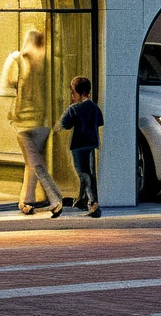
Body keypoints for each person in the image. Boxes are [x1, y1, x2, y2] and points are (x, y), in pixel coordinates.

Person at [0, 28, 63, 217]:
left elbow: (9, 81)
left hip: (25, 123)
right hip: (43, 122)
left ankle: (54, 198)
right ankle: (26, 200)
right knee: (32, 162)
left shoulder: (21, 60)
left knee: (36, 163)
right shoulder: (50, 62)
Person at [59, 75, 103, 216]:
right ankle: (82, 199)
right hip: (91, 142)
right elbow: (100, 122)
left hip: (78, 144)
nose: (72, 95)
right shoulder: (95, 108)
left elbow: (63, 124)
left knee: (82, 172)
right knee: (88, 170)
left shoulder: (74, 108)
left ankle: (92, 201)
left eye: (72, 92)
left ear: (76, 92)